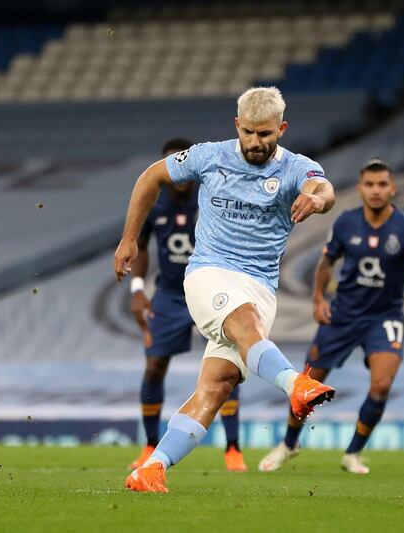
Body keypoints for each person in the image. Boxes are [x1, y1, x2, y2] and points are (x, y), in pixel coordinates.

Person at [114, 87, 337, 493]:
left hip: (260, 285)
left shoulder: (296, 169)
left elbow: (324, 188)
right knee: (243, 321)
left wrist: (317, 201)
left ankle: (151, 468)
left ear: (282, 129)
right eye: (249, 132)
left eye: (265, 134)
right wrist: (130, 238)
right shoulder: (208, 156)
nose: (256, 142)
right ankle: (295, 385)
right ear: (237, 125)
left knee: (216, 385)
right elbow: (151, 177)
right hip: (209, 273)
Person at [258, 158, 404, 474]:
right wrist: (317, 299)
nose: (376, 190)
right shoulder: (345, 223)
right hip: (343, 315)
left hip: (385, 319)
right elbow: (327, 264)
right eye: (370, 184)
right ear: (360, 189)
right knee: (307, 384)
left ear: (392, 188)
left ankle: (352, 453)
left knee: (382, 385)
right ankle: (289, 444)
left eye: (382, 184)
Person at [127, 137, 247, 474]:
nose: (178, 176)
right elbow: (142, 245)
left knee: (227, 368)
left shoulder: (211, 196)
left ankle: (233, 448)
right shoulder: (155, 203)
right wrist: (138, 289)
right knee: (154, 366)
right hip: (169, 294)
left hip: (210, 289)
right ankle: (150, 445)